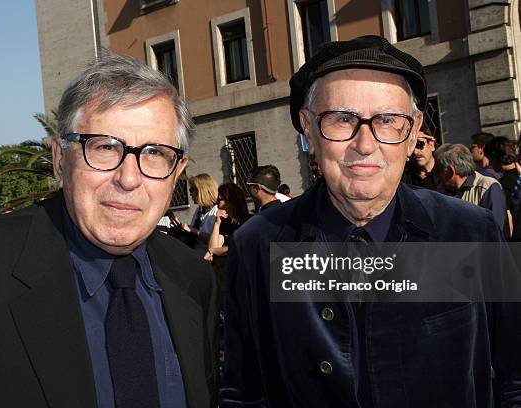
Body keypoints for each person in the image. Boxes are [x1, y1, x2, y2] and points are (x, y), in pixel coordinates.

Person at [220, 35, 521, 407]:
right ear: (309, 130)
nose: (364, 144)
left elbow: (515, 376)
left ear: (412, 134)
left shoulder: (468, 233)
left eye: (388, 120)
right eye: (342, 119)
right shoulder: (258, 245)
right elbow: (244, 394)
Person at [0, 51, 218, 408]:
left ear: (177, 171)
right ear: (60, 159)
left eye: (153, 153)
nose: (129, 178)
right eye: (104, 147)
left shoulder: (195, 279)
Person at [434, 143, 507, 233]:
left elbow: (494, 232)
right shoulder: (441, 191)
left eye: (437, 170)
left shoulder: (488, 188)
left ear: (450, 171)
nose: (436, 175)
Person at [171, 173, 219, 256]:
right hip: (197, 257)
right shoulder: (199, 210)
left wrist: (193, 231)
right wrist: (181, 228)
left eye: (192, 190)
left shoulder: (216, 211)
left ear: (202, 190)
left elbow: (215, 242)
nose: (190, 194)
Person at [484, 136, 521, 239]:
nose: (490, 163)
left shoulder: (503, 183)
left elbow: (508, 216)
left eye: (490, 159)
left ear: (496, 157)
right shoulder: (517, 176)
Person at [403, 125, 437, 190]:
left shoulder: (444, 173)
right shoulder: (404, 175)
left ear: (431, 145)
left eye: (419, 144)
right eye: (410, 146)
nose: (415, 152)